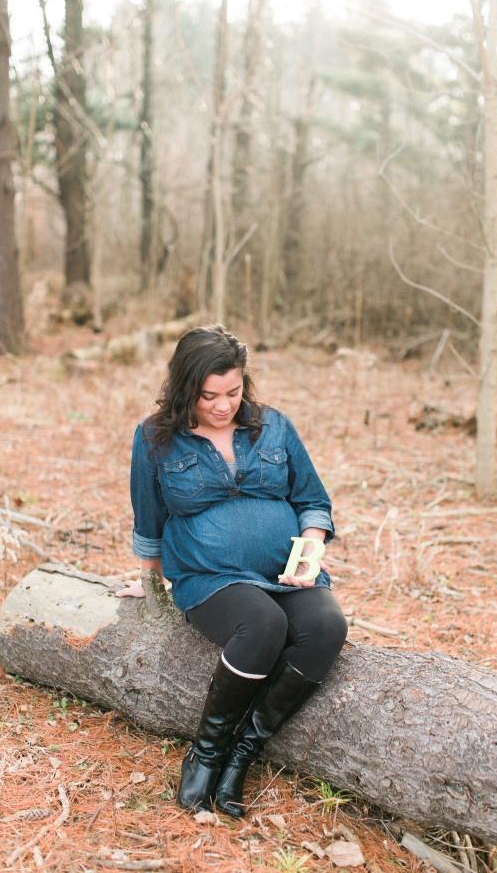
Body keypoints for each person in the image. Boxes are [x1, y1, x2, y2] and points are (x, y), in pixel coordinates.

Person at [118, 324, 348, 818]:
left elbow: (312, 500)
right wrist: (150, 583)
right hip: (210, 576)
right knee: (263, 625)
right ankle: (206, 753)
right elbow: (149, 518)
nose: (223, 406)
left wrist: (309, 555)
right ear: (185, 390)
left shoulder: (274, 426)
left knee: (328, 627)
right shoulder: (155, 437)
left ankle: (245, 751)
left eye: (233, 392)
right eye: (209, 396)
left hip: (285, 572)